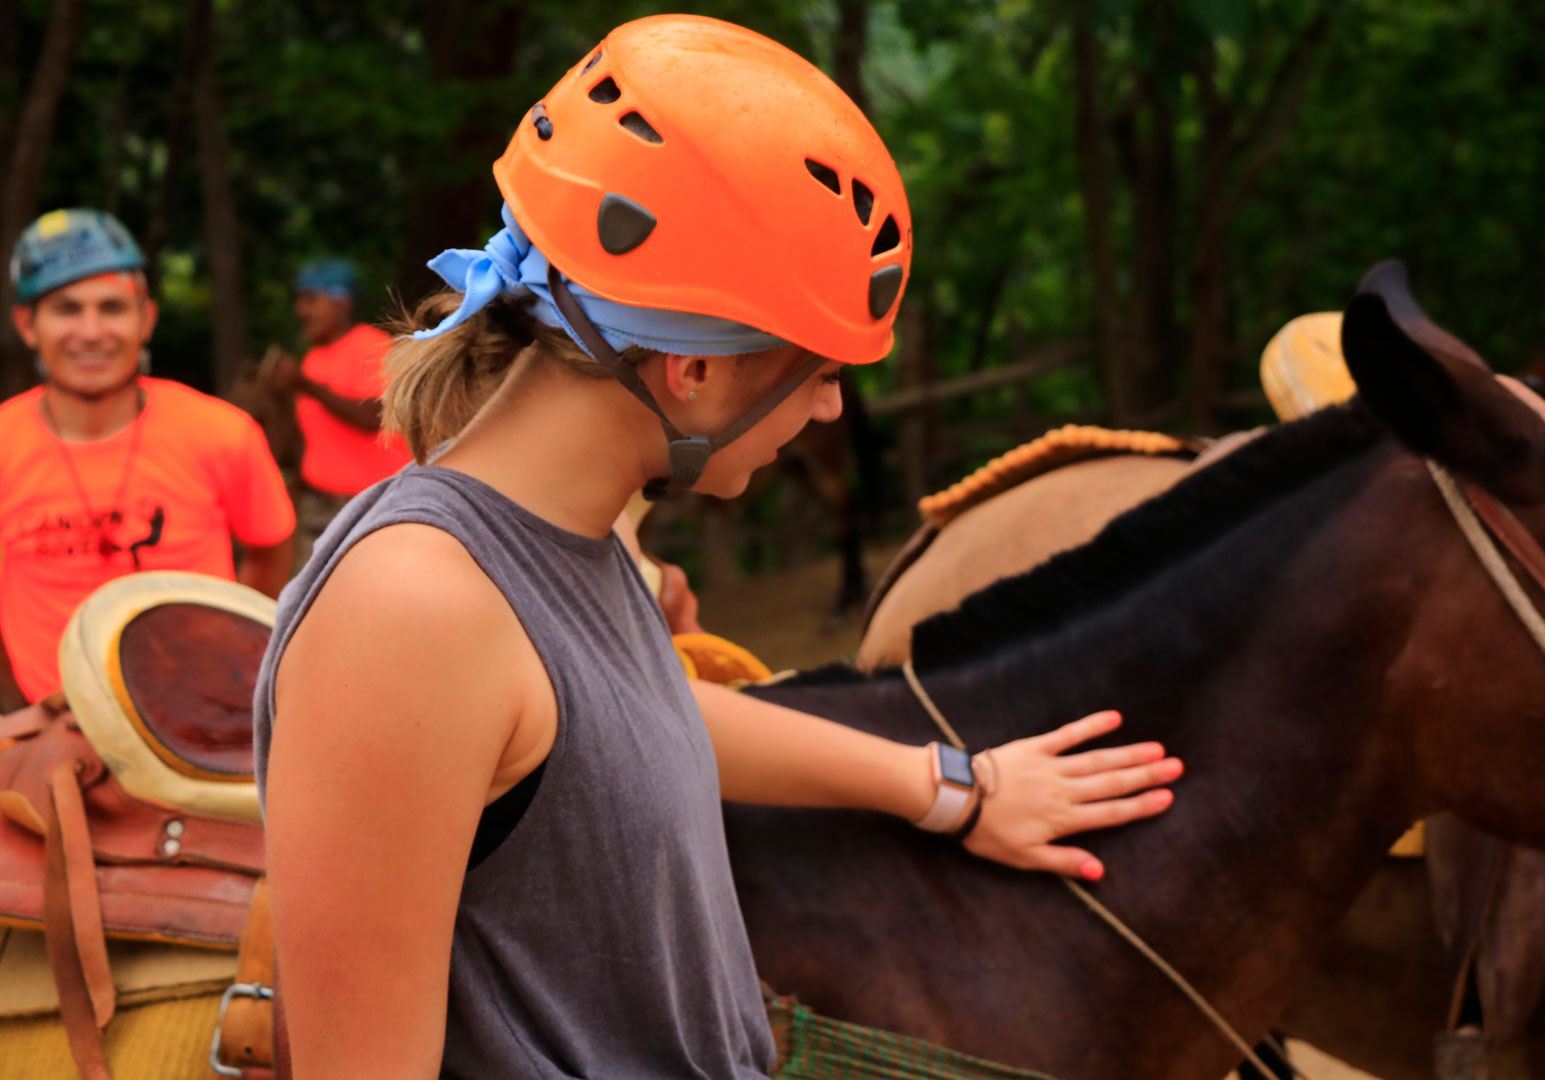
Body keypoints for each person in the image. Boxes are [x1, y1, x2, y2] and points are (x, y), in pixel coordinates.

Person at [256, 17, 1182, 1079]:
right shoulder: (413, 610)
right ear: (692, 371)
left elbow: (607, 726)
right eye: (821, 371)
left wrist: (948, 786)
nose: (833, 410)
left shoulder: (567, 542)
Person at [0, 208, 295, 709]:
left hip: (195, 718)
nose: (91, 332)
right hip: (45, 725)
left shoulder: (222, 434)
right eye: (67, 309)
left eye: (112, 308)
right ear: (28, 324)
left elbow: (270, 552)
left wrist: (230, 657)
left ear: (146, 318)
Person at [269, 257, 410, 560]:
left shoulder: (374, 347)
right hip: (318, 508)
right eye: (300, 301)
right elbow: (319, 436)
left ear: (342, 303)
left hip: (372, 505)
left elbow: (376, 417)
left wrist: (306, 386)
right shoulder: (313, 358)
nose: (301, 311)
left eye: (311, 300)